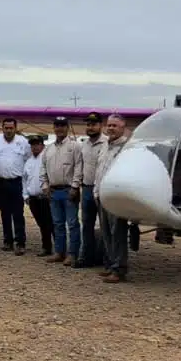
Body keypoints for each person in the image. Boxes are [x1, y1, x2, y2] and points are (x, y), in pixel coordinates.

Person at [42, 116, 84, 265]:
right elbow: (43, 168)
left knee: (72, 223)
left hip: (69, 190)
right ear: (53, 128)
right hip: (53, 191)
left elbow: (79, 167)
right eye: (57, 126)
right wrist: (45, 186)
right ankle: (59, 252)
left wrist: (75, 186)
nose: (59, 128)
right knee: (57, 223)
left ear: (67, 128)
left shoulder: (75, 146)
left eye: (62, 125)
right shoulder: (48, 148)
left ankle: (73, 254)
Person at [95, 114, 131, 283]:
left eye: (115, 126)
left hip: (116, 198)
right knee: (106, 233)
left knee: (118, 234)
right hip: (101, 195)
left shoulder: (127, 148)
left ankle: (119, 269)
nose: (111, 128)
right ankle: (110, 265)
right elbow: (99, 170)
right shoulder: (104, 146)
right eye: (109, 125)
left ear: (123, 128)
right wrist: (96, 191)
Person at [0, 118, 30, 254]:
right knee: (4, 213)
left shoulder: (23, 142)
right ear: (2, 128)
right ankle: (8, 241)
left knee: (18, 213)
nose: (8, 130)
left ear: (15, 128)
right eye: (6, 128)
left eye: (11, 128)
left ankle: (20, 242)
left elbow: (28, 160)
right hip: (1, 181)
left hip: (17, 181)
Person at [76, 112, 106, 268]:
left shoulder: (107, 143)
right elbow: (80, 166)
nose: (90, 127)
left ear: (101, 125)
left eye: (93, 124)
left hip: (103, 190)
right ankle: (86, 258)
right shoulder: (84, 145)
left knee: (105, 226)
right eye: (88, 124)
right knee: (86, 224)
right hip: (87, 188)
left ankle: (104, 259)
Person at [22, 134, 54, 257]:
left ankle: (60, 249)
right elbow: (24, 180)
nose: (35, 147)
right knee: (41, 224)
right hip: (33, 198)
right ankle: (46, 247)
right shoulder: (28, 162)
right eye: (33, 145)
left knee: (51, 223)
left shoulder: (46, 158)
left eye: (37, 144)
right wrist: (25, 195)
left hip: (45, 197)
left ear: (42, 145)